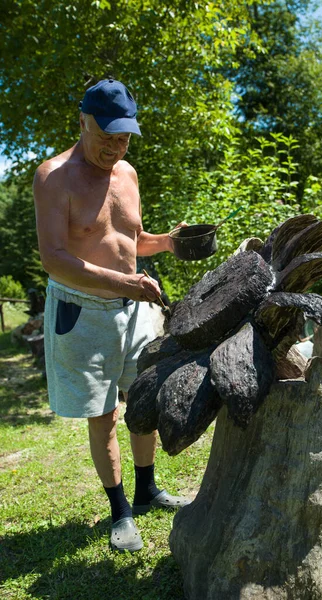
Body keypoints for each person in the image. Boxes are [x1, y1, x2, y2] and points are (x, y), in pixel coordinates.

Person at [33, 79, 189, 553]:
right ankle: (120, 510)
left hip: (133, 306)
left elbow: (130, 240)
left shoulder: (128, 173)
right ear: (83, 121)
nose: (116, 148)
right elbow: (54, 257)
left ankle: (146, 489)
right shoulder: (53, 176)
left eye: (124, 138)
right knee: (103, 415)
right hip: (82, 312)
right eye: (107, 137)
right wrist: (127, 284)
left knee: (144, 398)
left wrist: (167, 242)